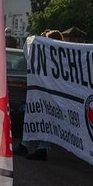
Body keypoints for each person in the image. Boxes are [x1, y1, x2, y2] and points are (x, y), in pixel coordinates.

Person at [23, 29, 62, 160]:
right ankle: (27, 144)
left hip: (49, 94)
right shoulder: (47, 52)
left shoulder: (57, 54)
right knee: (37, 118)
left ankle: (41, 148)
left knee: (46, 120)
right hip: (44, 92)